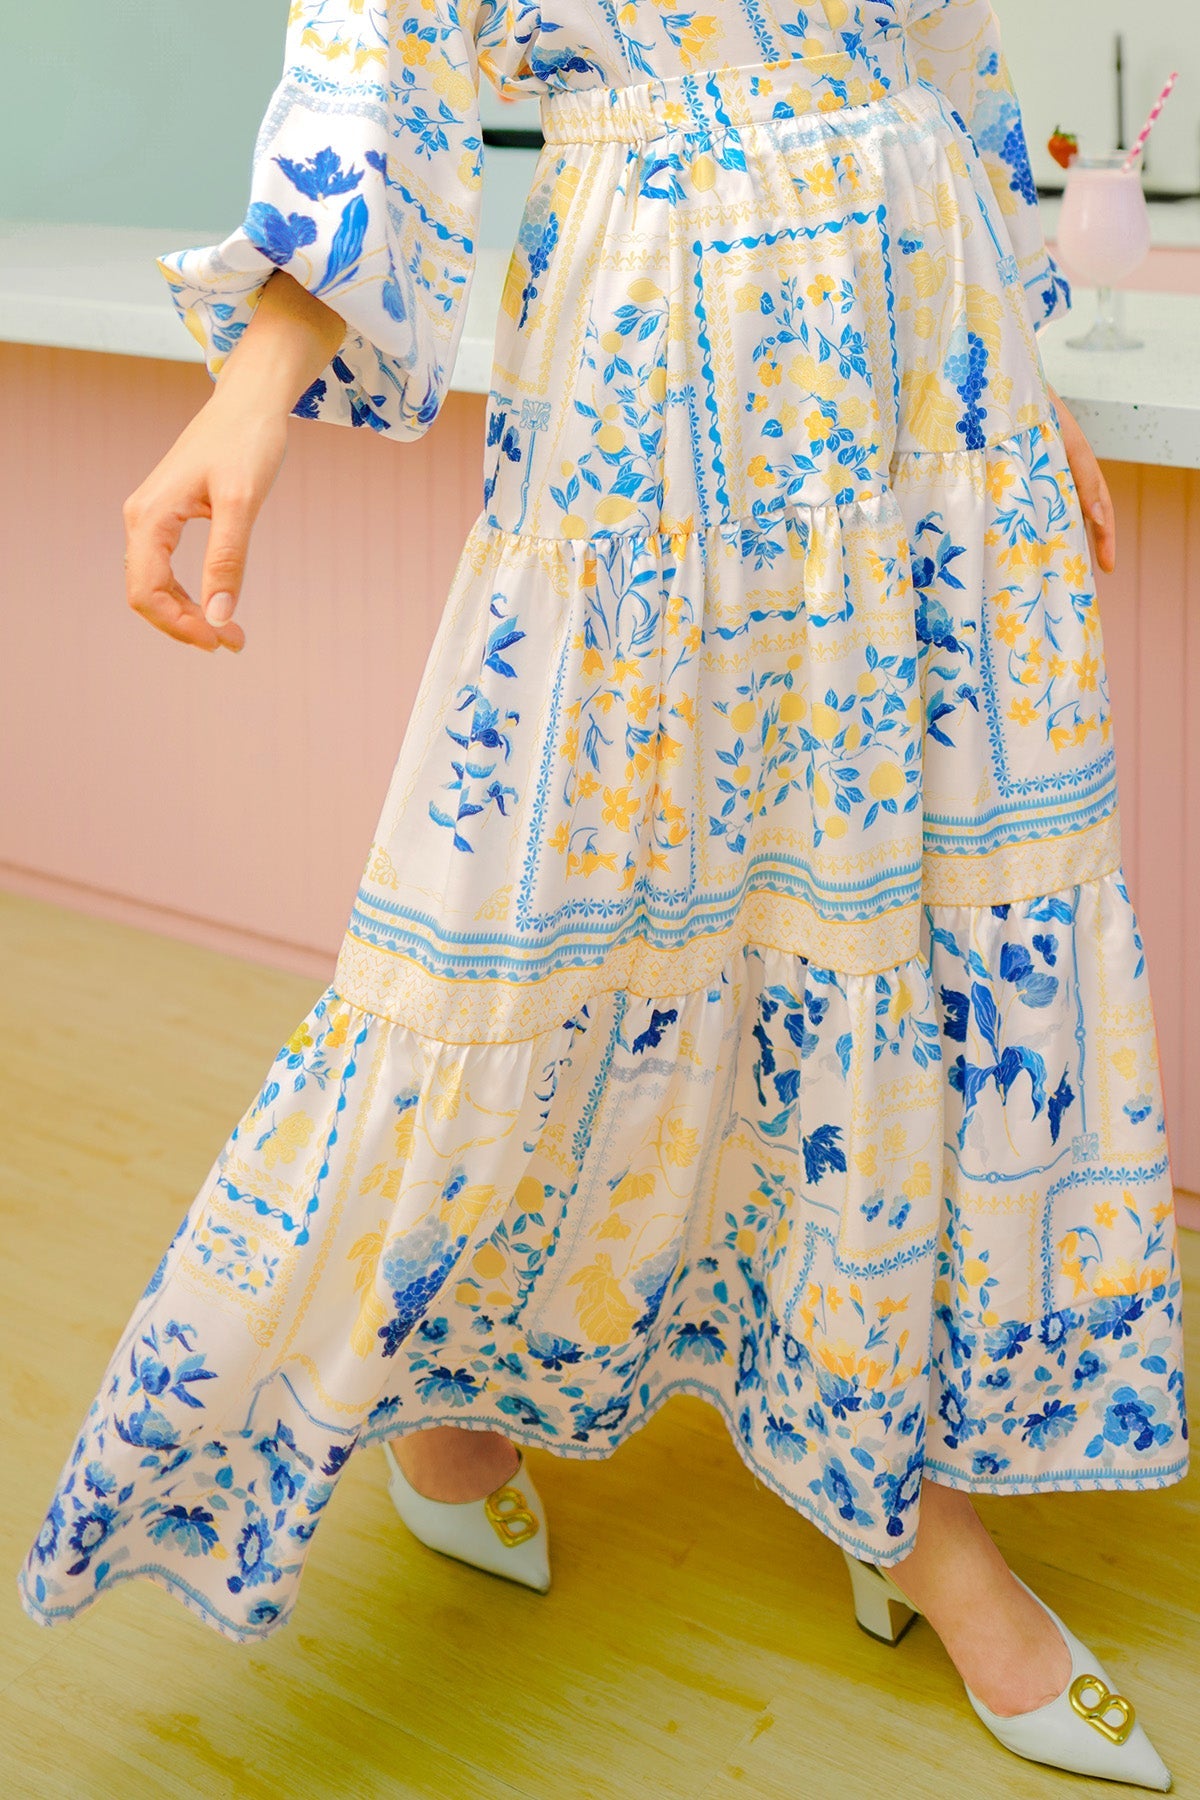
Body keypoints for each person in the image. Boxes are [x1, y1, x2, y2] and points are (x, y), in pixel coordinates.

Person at [19, 1, 1186, 1788]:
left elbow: (947, 56)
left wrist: (1014, 367)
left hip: (929, 374)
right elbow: (383, 57)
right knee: (557, 916)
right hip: (658, 347)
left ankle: (896, 1484)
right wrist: (251, 389)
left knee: (903, 903)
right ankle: (454, 1390)